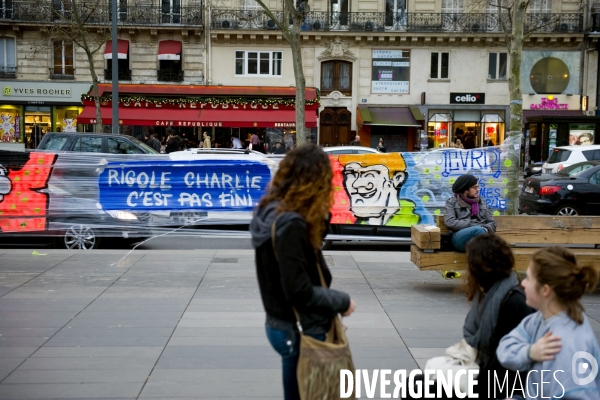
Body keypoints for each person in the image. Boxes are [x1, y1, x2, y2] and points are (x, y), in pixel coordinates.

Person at [249, 144, 356, 400]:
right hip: (298, 327)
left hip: (280, 323)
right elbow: (299, 290)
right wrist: (342, 301)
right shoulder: (291, 224)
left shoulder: (273, 212)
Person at [406, 234, 533, 400]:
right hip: (483, 370)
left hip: (500, 382)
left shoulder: (513, 301)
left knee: (417, 388)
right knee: (415, 382)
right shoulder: (490, 292)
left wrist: (462, 377)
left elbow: (507, 364)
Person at [497, 247, 600, 399]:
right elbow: (505, 349)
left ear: (545, 290)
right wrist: (531, 352)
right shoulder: (539, 318)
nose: (523, 283)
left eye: (529, 278)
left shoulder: (565, 344)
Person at [338, 153, 420, 227]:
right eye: (351, 174)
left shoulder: (414, 217)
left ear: (397, 178)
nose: (355, 184)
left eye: (369, 174)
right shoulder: (358, 223)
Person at [444, 174, 496, 252]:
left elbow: (492, 223)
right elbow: (450, 222)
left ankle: (477, 255)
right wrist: (473, 225)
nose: (478, 189)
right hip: (459, 237)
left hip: (480, 235)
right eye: (475, 187)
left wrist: (485, 228)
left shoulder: (481, 202)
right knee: (478, 231)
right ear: (465, 189)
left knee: (479, 237)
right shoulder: (452, 202)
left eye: (478, 187)